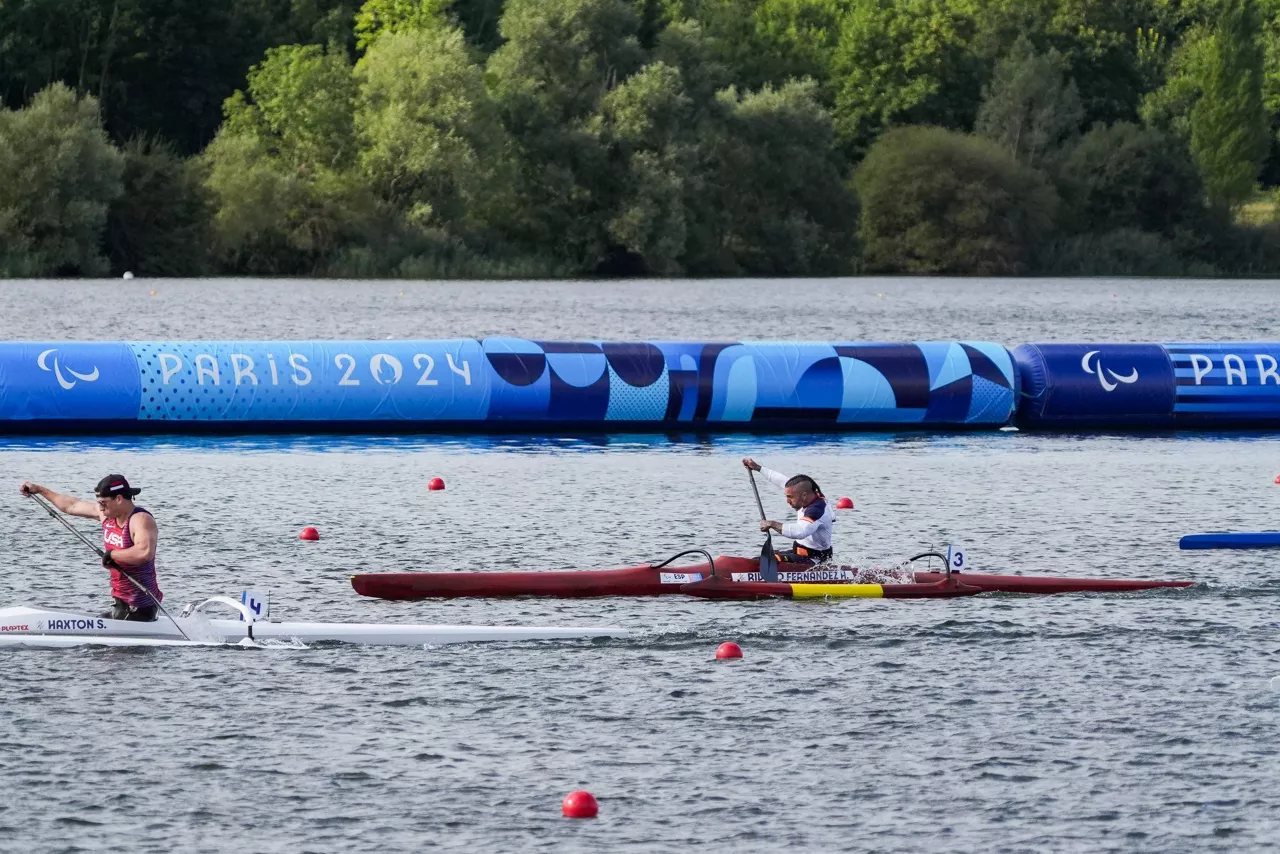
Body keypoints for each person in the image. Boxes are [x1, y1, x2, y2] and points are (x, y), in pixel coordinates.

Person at [20, 475, 162, 621]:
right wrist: (40, 490)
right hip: (121, 604)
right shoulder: (107, 515)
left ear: (119, 499)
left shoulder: (140, 519)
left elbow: (144, 553)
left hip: (140, 606)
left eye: (103, 503)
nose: (100, 508)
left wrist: (112, 555)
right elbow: (71, 505)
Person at [742, 458, 834, 564]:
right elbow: (782, 481)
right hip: (799, 554)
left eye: (790, 497)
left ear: (804, 495)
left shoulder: (817, 509)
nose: (787, 501)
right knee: (760, 558)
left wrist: (772, 524)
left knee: (767, 561)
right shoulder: (805, 494)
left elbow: (800, 532)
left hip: (815, 560)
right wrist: (758, 468)